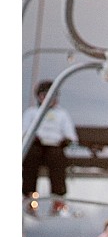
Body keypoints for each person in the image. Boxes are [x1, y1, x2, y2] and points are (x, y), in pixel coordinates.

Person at [22, 79, 78, 216]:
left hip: (54, 147)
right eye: (45, 95)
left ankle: (57, 199)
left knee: (56, 159)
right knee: (30, 158)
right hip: (36, 146)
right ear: (39, 97)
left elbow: (71, 136)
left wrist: (65, 141)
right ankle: (31, 197)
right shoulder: (32, 113)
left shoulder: (62, 114)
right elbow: (23, 132)